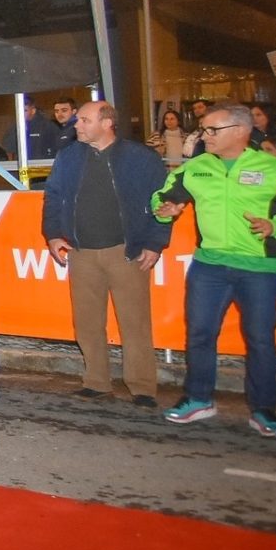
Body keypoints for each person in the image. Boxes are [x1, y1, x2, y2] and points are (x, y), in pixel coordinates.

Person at [155, 104, 276, 436]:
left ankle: (264, 410)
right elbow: (162, 197)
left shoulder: (275, 169)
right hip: (209, 267)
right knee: (200, 334)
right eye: (204, 129)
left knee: (260, 340)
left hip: (259, 269)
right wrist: (164, 209)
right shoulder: (196, 167)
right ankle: (198, 398)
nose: (205, 136)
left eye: (212, 130)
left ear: (241, 131)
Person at [42, 100, 171, 406]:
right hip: (82, 251)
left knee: (134, 323)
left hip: (126, 251)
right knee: (87, 323)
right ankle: (97, 382)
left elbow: (162, 201)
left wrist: (155, 243)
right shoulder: (68, 156)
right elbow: (53, 197)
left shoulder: (141, 157)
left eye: (84, 120)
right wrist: (53, 235)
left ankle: (142, 387)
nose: (77, 125)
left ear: (107, 123)